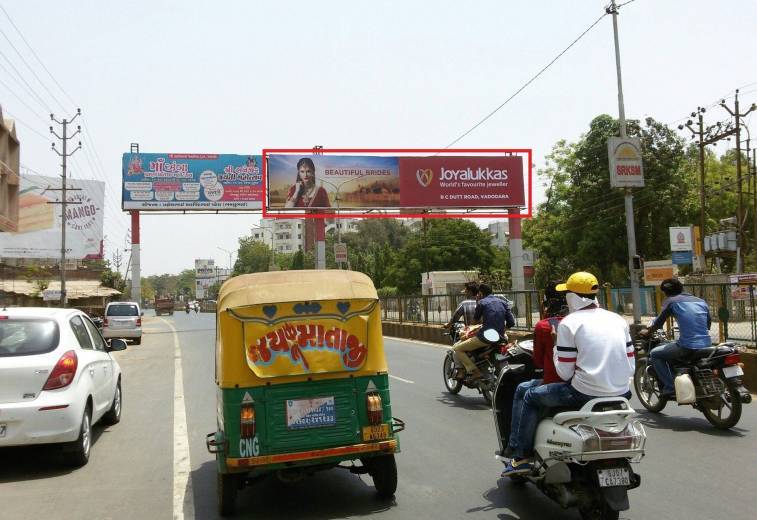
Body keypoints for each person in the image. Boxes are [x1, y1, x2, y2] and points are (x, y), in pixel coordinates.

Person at [502, 272, 635, 476]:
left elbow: (564, 374)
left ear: (572, 297)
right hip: (622, 392)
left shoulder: (568, 323)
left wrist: (556, 345)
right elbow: (631, 366)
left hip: (583, 393)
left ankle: (521, 456)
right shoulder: (617, 319)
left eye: (567, 294)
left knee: (528, 395)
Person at [499, 282, 567, 459]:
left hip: (565, 386)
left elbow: (538, 361)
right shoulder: (597, 322)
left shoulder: (546, 326)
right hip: (612, 389)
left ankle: (517, 450)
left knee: (524, 390)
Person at [639, 278, 712, 399]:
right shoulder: (701, 301)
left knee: (655, 354)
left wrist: (647, 332)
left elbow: (658, 323)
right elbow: (708, 324)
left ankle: (670, 386)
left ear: (665, 292)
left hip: (687, 346)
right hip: (707, 344)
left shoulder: (671, 301)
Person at [452, 283, 515, 379]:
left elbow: (474, 322)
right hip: (501, 338)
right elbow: (511, 323)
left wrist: (467, 330)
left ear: (480, 293)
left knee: (457, 348)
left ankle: (475, 371)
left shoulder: (482, 303)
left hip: (484, 338)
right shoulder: (503, 302)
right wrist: (500, 329)